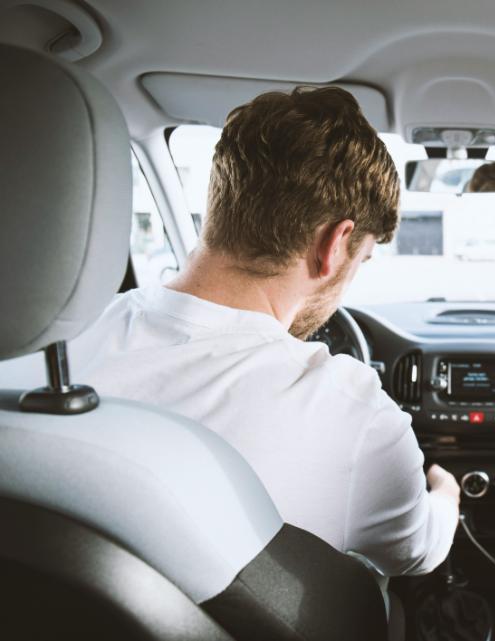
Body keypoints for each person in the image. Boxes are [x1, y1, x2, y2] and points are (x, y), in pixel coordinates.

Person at [7, 87, 460, 577]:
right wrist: (446, 491)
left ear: (222, 205)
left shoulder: (29, 354)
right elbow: (416, 553)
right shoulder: (355, 413)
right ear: (335, 244)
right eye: (361, 261)